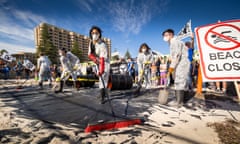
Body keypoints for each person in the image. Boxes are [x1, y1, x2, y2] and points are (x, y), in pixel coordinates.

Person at [162, 29, 190, 107]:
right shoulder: (174, 42)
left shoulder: (175, 42)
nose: (164, 37)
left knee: (179, 80)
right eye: (164, 36)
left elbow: (177, 55)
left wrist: (172, 67)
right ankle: (184, 99)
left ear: (171, 35)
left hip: (181, 63)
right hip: (181, 63)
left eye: (166, 35)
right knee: (183, 81)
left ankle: (179, 102)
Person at [88, 26, 110, 104]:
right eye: (93, 33)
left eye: (96, 33)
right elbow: (90, 54)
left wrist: (101, 69)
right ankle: (102, 93)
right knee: (100, 79)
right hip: (97, 61)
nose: (94, 34)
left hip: (105, 62)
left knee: (103, 78)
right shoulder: (91, 43)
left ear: (99, 34)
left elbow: (103, 58)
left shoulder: (102, 44)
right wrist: (94, 59)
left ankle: (103, 97)